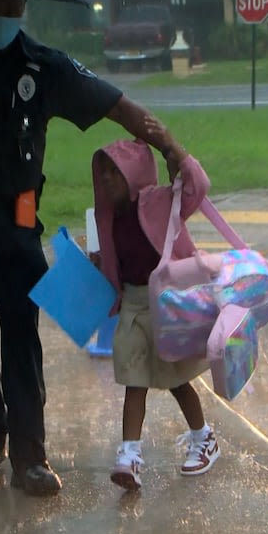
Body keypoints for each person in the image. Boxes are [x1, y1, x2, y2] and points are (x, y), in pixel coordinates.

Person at [0, 0, 194, 497]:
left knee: (22, 344)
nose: (4, 12)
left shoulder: (44, 67)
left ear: (25, 6)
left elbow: (115, 105)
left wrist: (169, 144)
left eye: (13, 3)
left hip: (14, 231)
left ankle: (30, 456)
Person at [91, 136, 220, 492]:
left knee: (177, 379)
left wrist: (171, 146)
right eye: (103, 176)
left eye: (114, 175)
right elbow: (118, 260)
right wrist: (102, 264)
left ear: (132, 175)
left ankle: (204, 437)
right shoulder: (109, 216)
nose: (107, 182)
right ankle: (129, 455)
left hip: (166, 303)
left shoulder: (159, 201)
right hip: (133, 304)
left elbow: (198, 187)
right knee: (134, 380)